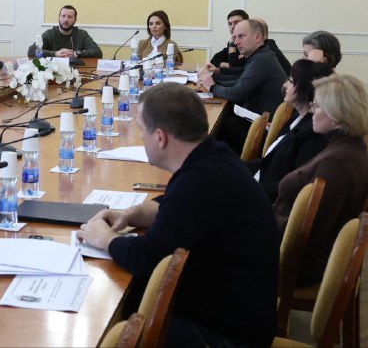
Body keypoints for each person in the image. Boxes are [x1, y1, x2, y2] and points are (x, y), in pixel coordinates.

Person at [76, 84, 278, 347]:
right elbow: (176, 206)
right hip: (228, 312)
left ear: (160, 137)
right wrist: (132, 213)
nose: (141, 138)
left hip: (229, 337)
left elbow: (146, 258)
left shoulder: (200, 180)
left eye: (142, 131)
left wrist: (104, 238)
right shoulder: (211, 156)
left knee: (110, 323)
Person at [273, 74, 368, 287]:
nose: (311, 111)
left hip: (296, 262)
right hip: (291, 248)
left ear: (337, 114)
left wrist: (256, 219)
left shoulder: (337, 163)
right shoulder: (348, 147)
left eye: (316, 105)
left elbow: (307, 230)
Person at [248, 60, 333, 202]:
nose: (285, 85)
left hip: (266, 199)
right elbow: (269, 161)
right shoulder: (297, 117)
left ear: (307, 90)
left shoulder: (314, 133)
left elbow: (294, 185)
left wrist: (249, 188)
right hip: (259, 182)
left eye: (291, 82)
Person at [198, 19, 286, 152]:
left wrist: (212, 86)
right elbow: (239, 82)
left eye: (241, 36)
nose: (236, 42)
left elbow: (236, 93)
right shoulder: (260, 55)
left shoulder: (262, 60)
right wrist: (210, 80)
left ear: (257, 37)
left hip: (261, 130)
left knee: (212, 127)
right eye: (235, 37)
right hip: (257, 120)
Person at [26, 5, 101, 59]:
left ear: (75, 20)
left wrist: (76, 53)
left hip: (76, 69)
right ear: (59, 18)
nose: (66, 20)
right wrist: (55, 53)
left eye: (70, 17)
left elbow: (97, 52)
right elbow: (31, 50)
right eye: (63, 16)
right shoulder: (50, 33)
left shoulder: (82, 34)